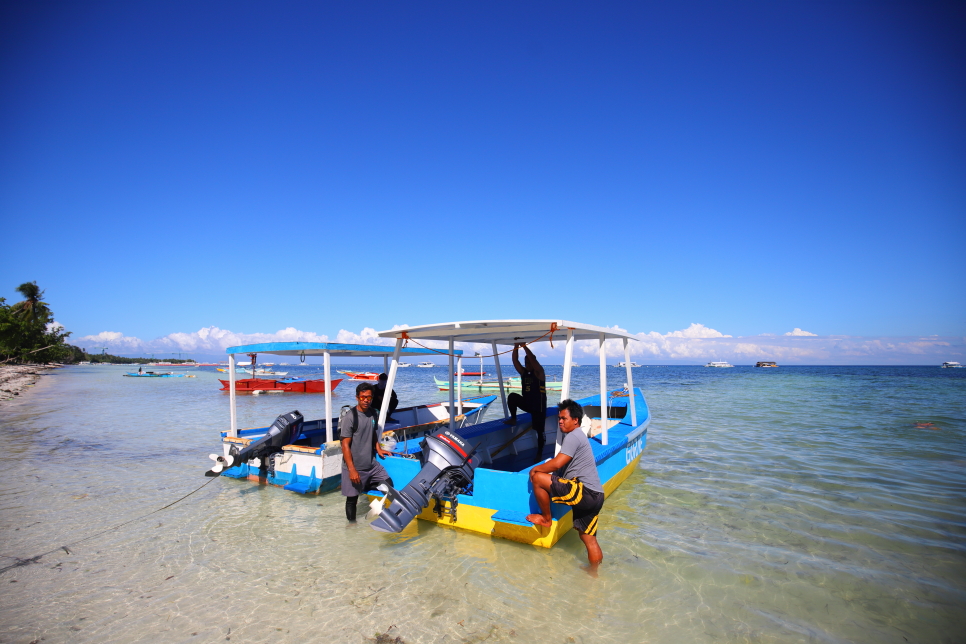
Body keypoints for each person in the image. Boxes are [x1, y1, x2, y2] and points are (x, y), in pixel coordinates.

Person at [527, 399, 604, 568]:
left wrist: (535, 470)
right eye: (559, 418)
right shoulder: (580, 436)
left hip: (585, 492)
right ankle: (594, 574)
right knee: (588, 539)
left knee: (538, 478)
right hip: (597, 495)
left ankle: (546, 519)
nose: (560, 421)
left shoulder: (573, 435)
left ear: (575, 420)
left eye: (564, 418)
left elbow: (557, 463)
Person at [340, 382, 393, 522]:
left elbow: (373, 433)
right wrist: (351, 470)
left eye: (368, 397)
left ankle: (368, 487)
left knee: (389, 486)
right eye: (363, 397)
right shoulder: (350, 417)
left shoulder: (373, 413)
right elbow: (344, 444)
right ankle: (351, 527)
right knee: (352, 500)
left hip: (371, 465)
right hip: (354, 466)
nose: (366, 400)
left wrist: (378, 448)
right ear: (357, 397)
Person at [503, 343, 547, 456]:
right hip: (527, 404)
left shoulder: (539, 372)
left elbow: (532, 358)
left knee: (540, 431)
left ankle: (540, 453)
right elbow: (515, 361)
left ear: (534, 363)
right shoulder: (523, 372)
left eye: (529, 362)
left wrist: (524, 346)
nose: (527, 364)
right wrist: (516, 346)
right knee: (512, 396)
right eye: (526, 362)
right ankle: (513, 418)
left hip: (539, 407)